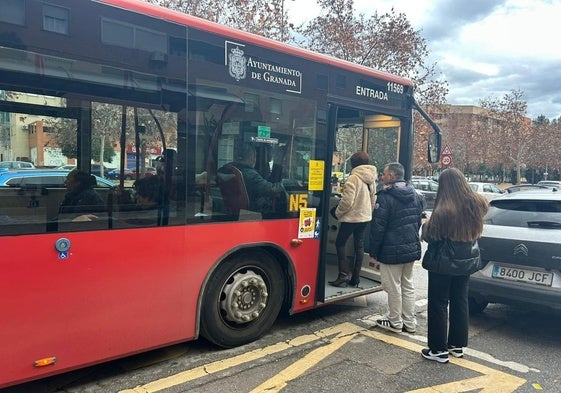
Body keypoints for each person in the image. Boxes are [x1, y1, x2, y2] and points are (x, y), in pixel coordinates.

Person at [420, 168, 488, 363]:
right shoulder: (478, 203)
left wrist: (426, 224)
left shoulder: (444, 210)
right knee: (460, 300)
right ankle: (456, 346)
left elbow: (431, 237)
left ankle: (438, 349)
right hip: (467, 261)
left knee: (439, 303)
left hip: (443, 263)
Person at [369, 162, 424, 334]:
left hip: (391, 251)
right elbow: (417, 223)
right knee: (407, 286)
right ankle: (410, 322)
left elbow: (378, 229)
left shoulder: (386, 197)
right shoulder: (414, 194)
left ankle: (395, 322)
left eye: (384, 174)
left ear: (392, 176)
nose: (382, 177)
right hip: (410, 249)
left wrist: (373, 254)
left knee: (392, 287)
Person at [328, 151, 377, 287]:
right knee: (359, 246)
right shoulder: (371, 178)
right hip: (365, 217)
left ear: (353, 163)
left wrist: (338, 213)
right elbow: (373, 198)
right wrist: (368, 212)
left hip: (352, 217)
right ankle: (355, 277)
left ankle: (343, 274)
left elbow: (347, 201)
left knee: (340, 243)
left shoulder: (353, 178)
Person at [229, 143, 284, 213]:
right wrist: (285, 184)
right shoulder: (250, 174)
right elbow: (272, 189)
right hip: (252, 213)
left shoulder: (227, 169)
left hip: (231, 211)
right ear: (252, 158)